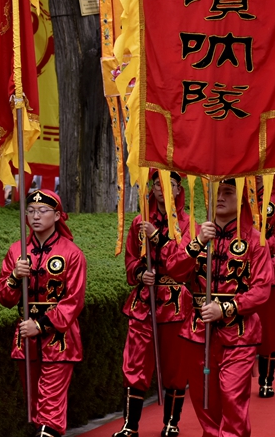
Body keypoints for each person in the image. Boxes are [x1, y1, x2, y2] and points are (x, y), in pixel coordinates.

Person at [162, 179, 271, 437]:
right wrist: (199, 241)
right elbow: (174, 270)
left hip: (239, 333)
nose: (220, 197)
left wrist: (226, 309)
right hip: (198, 331)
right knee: (204, 401)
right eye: (217, 192)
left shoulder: (255, 240)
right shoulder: (196, 234)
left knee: (232, 397)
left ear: (241, 198)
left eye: (228, 192)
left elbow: (261, 290)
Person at [0, 189, 87, 437]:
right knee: (35, 406)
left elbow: (74, 301)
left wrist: (41, 325)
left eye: (43, 211)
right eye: (31, 211)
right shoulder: (17, 251)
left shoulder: (72, 253)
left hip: (59, 339)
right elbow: (4, 298)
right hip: (26, 339)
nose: (35, 216)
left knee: (50, 409)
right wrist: (15, 276)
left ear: (57, 216)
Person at [113, 170, 191, 437]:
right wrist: (139, 273)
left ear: (179, 190)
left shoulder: (187, 224)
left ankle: (171, 422)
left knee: (175, 366)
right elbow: (131, 258)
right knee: (134, 363)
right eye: (158, 183)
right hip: (144, 302)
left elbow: (183, 263)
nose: (163, 188)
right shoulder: (139, 222)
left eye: (170, 183)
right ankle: (129, 425)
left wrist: (158, 237)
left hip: (174, 302)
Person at [246, 175, 275, 399]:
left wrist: (257, 249)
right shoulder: (239, 196)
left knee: (269, 330)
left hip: (268, 268)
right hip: (240, 268)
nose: (256, 175)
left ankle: (266, 380)